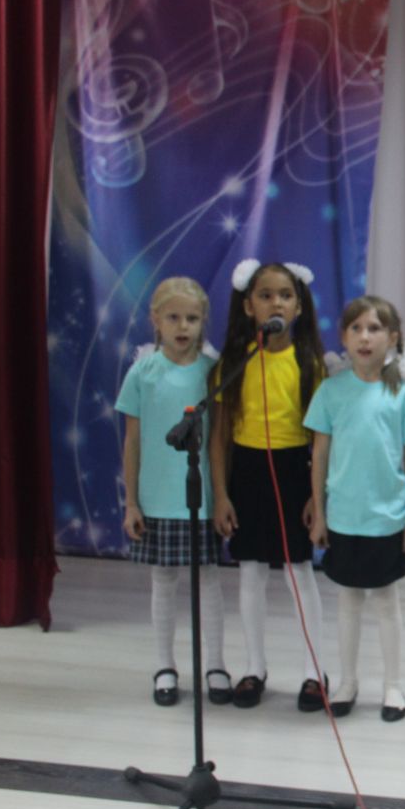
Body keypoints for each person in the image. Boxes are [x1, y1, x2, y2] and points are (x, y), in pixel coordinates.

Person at [306, 295, 405, 721]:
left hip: (386, 518)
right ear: (344, 338)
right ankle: (347, 682)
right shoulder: (331, 391)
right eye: (356, 328)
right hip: (343, 516)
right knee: (348, 600)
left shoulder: (404, 396)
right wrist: (320, 512)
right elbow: (320, 455)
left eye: (375, 329)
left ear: (392, 338)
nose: (365, 337)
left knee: (384, 600)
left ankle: (393, 685)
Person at [209, 259, 328, 711]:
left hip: (294, 469)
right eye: (265, 295)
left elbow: (321, 439)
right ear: (248, 306)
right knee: (252, 571)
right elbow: (219, 437)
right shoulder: (234, 364)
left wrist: (317, 496)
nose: (275, 302)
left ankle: (314, 672)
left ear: (299, 306)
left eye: (285, 295)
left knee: (299, 571)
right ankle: (254, 668)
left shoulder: (309, 364)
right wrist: (222, 494)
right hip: (248, 471)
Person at [117, 277, 232, 707]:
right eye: (173, 318)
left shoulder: (211, 371)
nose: (183, 326)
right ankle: (164, 665)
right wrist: (132, 501)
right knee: (163, 581)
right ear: (156, 320)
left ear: (203, 322)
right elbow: (133, 440)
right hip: (157, 497)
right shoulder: (142, 372)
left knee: (209, 580)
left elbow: (218, 440)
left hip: (199, 498)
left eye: (192, 318)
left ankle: (215, 664)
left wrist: (220, 496)